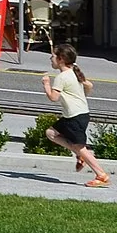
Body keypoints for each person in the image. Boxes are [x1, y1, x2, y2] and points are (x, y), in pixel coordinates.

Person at [42, 43, 109, 187]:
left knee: (79, 147)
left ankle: (101, 175)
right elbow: (89, 85)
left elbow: (53, 98)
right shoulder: (74, 71)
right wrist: (82, 97)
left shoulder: (62, 77)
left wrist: (46, 84)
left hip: (74, 117)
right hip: (79, 114)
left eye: (53, 56)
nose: (50, 58)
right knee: (51, 133)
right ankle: (82, 155)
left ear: (61, 59)